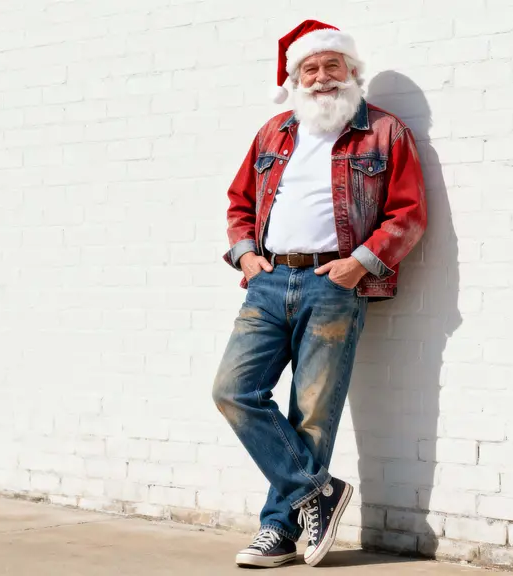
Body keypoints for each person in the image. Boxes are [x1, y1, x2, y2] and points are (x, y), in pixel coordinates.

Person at [211, 20, 428, 568]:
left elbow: (408, 212)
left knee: (311, 412)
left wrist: (360, 265)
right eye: (311, 67)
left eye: (333, 65)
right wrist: (246, 256)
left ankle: (278, 532)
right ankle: (319, 490)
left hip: (333, 285)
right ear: (295, 78)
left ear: (352, 72)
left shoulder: (384, 131)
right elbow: (239, 202)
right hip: (267, 281)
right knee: (234, 391)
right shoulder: (273, 134)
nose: (322, 76)